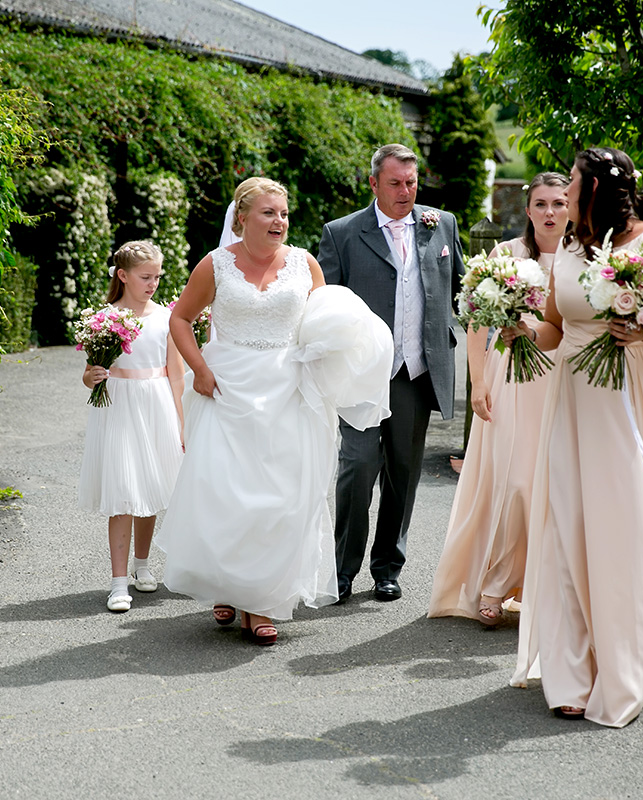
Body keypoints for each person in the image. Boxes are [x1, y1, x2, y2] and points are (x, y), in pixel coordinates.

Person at [507, 147, 643, 726]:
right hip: (574, 397)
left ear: (596, 186)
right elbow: (556, 329)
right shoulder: (567, 246)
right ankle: (570, 672)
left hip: (635, 398)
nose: (562, 191)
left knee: (621, 527)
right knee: (567, 522)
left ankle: (625, 665)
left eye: (570, 180)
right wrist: (517, 323)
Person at [155, 177, 391, 645]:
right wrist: (198, 368)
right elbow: (179, 319)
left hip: (289, 392)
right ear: (242, 218)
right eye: (268, 213)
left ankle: (261, 600)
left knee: (283, 495)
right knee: (227, 491)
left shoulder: (304, 264)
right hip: (227, 390)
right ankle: (228, 584)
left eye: (283, 213)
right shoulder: (215, 265)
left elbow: (324, 323)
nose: (279, 221)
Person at [318, 143, 465, 603]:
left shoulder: (440, 224)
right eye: (396, 183)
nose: (405, 191)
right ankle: (341, 570)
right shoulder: (342, 233)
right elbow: (325, 306)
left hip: (415, 371)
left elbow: (462, 288)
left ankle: (387, 567)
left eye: (411, 182)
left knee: (403, 473)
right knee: (358, 466)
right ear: (373, 183)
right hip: (361, 374)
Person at [428, 173, 570, 627]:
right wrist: (478, 381)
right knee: (514, 483)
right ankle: (493, 583)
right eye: (541, 204)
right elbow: (474, 319)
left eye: (559, 203)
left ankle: (541, 587)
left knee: (555, 486)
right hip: (511, 376)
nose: (550, 212)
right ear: (527, 210)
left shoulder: (586, 260)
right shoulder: (505, 254)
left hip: (567, 377)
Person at [78, 240, 185, 613]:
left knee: (150, 489)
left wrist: (181, 424)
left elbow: (176, 375)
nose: (153, 283)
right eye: (145, 276)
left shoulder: (168, 318)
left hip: (156, 404)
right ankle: (118, 582)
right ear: (122, 276)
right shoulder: (105, 319)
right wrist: (92, 377)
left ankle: (143, 565)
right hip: (120, 408)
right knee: (124, 492)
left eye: (157, 276)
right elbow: (89, 375)